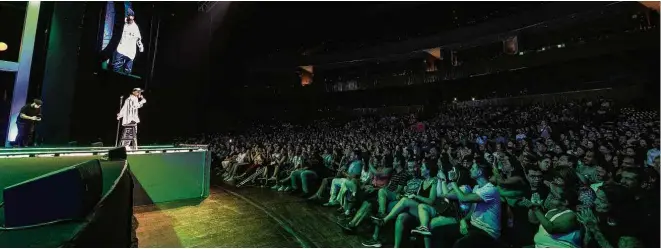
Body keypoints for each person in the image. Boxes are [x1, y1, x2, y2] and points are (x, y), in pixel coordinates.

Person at [114, 9, 143, 75]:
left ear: (133, 17)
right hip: (121, 49)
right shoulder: (124, 22)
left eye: (130, 17)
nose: (129, 19)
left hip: (130, 52)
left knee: (127, 71)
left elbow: (138, 40)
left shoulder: (135, 28)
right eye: (128, 17)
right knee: (116, 68)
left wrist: (141, 47)